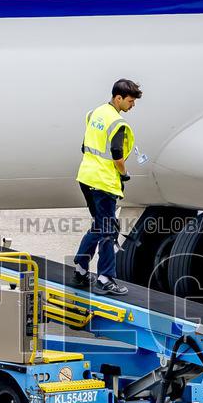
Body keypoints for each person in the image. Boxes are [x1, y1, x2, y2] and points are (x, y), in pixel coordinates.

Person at [72, 79, 142, 296]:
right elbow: (117, 156)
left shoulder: (95, 113)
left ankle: (81, 268)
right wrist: (125, 174)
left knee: (100, 225)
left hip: (86, 177)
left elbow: (86, 144)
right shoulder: (118, 124)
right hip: (103, 182)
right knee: (108, 231)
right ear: (118, 98)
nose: (132, 106)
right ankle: (105, 279)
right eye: (130, 101)